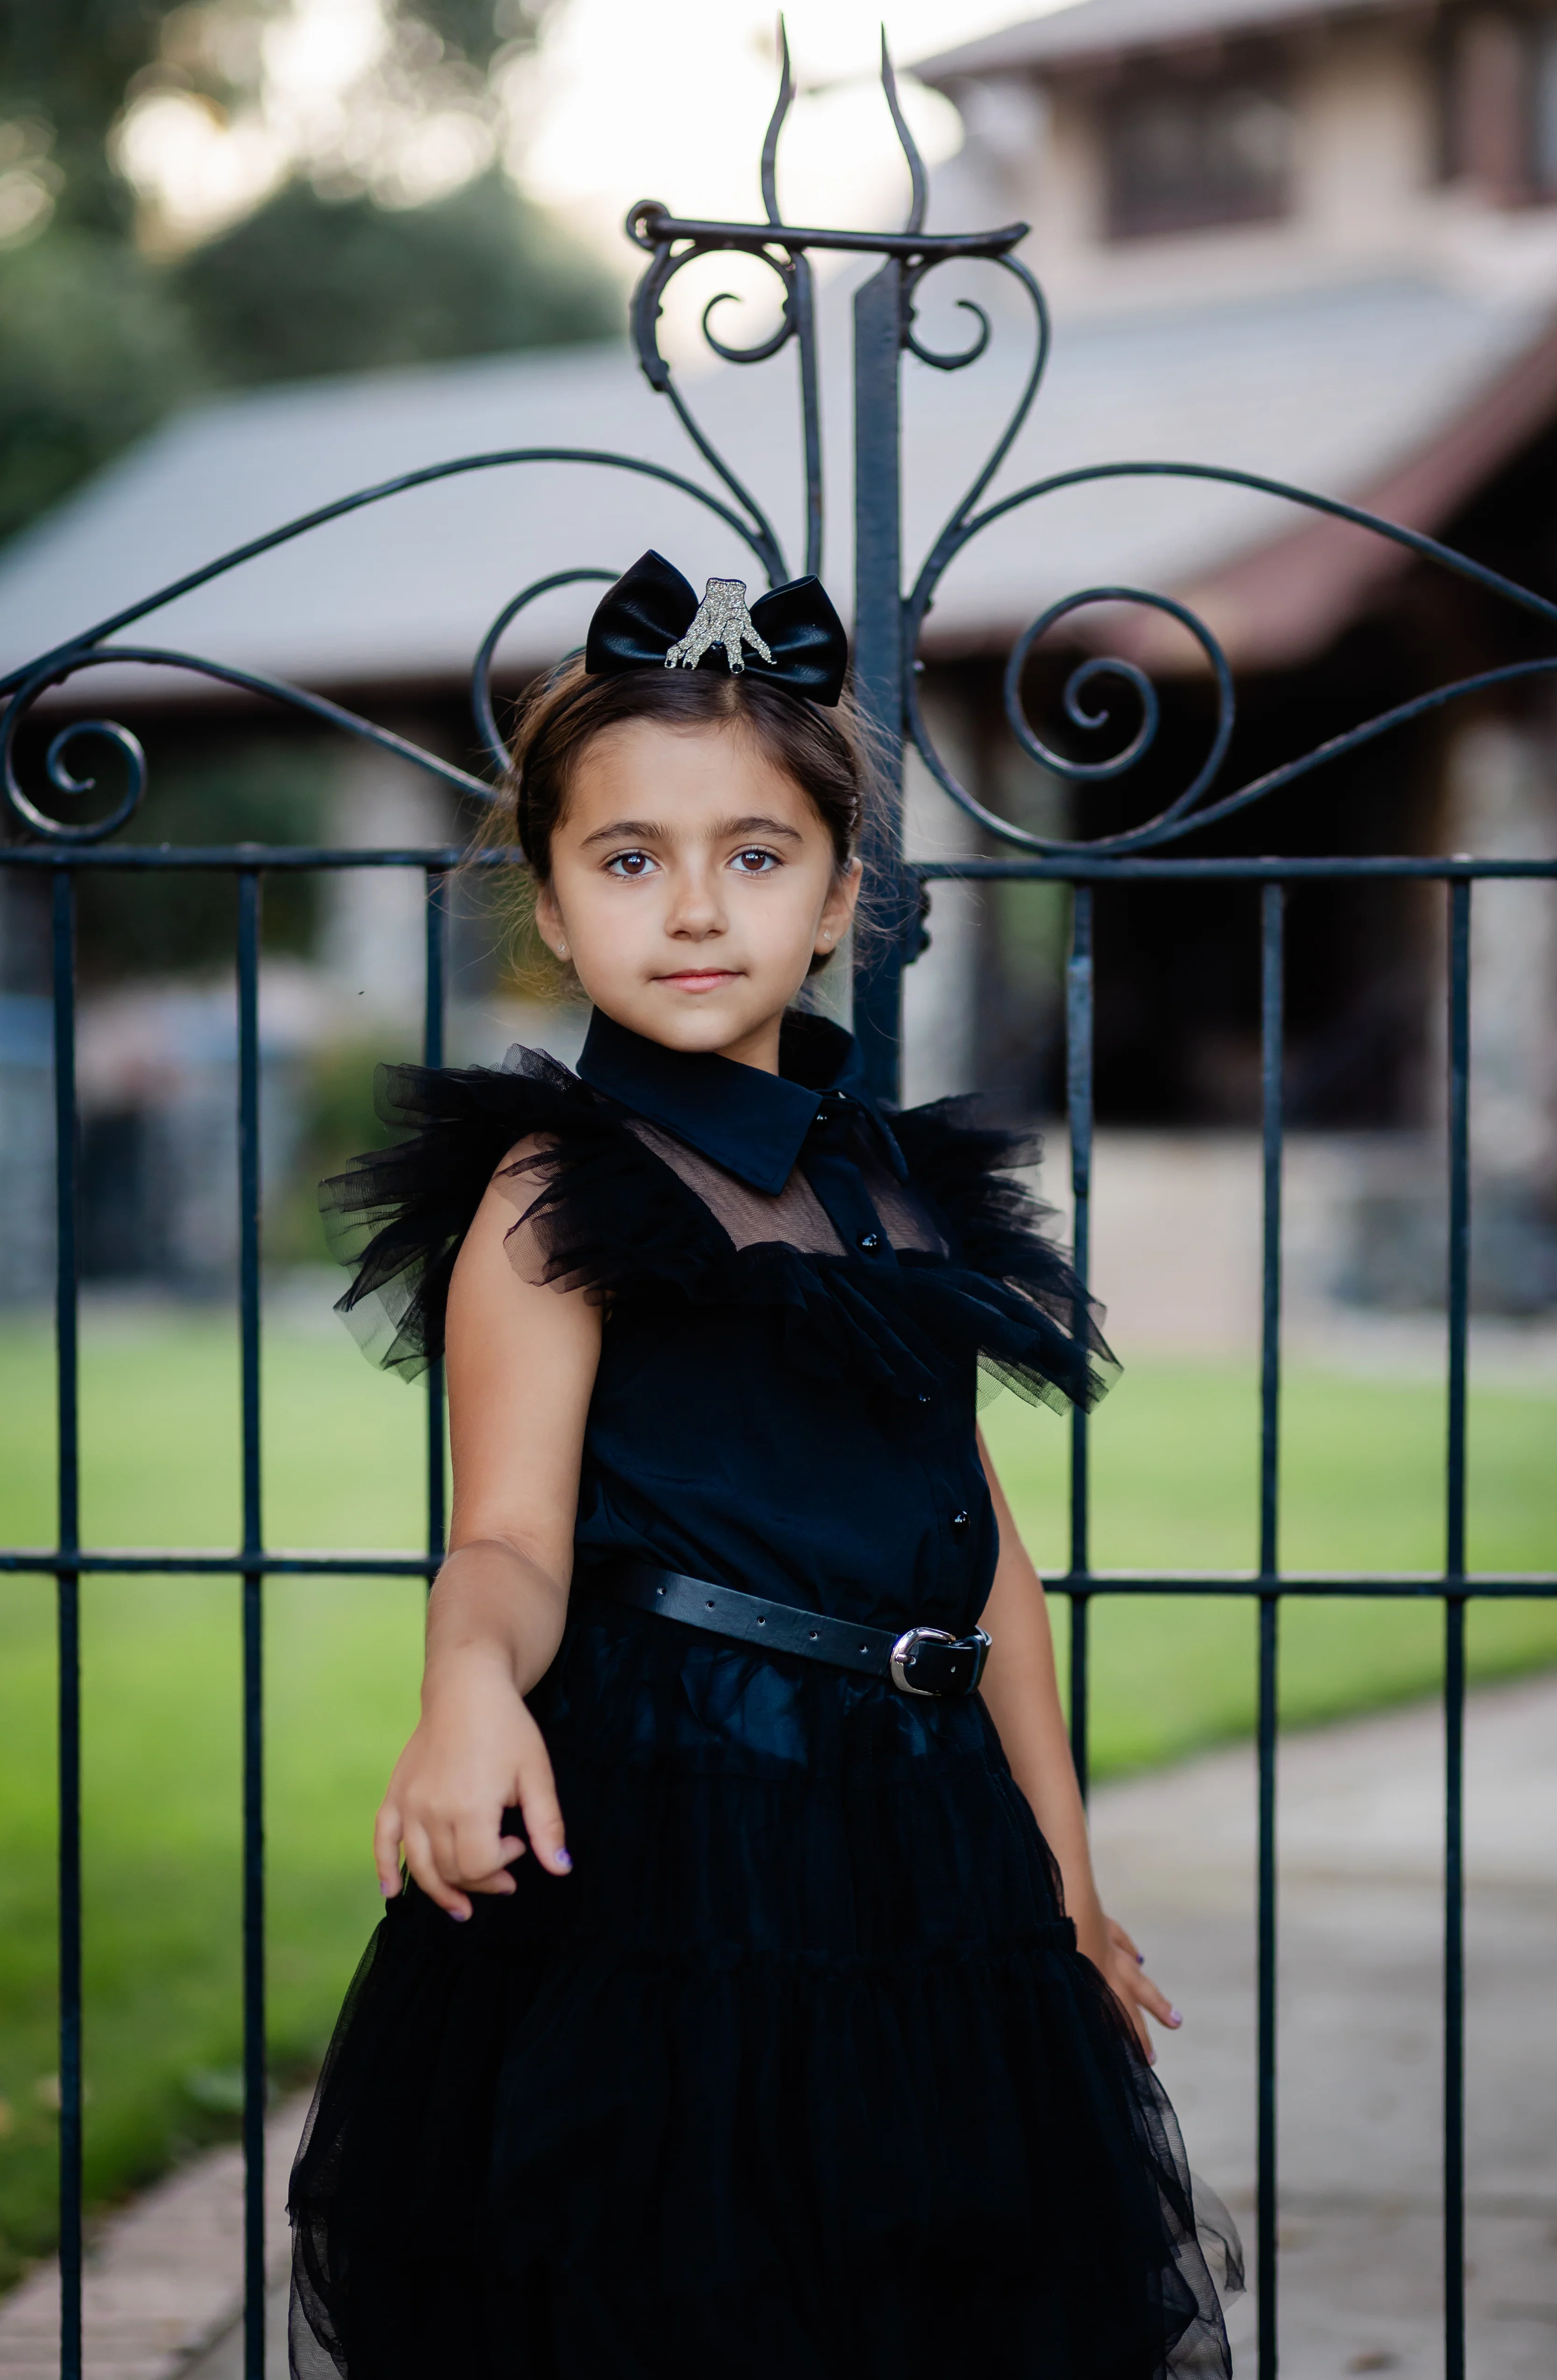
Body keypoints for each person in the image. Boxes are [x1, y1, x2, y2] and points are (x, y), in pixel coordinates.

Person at [288, 551, 1240, 2378]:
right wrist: (464, 1678)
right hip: (679, 1855)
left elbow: (980, 1559)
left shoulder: (887, 1184)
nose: (695, 906)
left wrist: (1062, 1881)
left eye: (755, 851)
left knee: (929, 2299)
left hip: (924, 1845)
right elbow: (504, 1536)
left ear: (838, 896)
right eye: (628, 857)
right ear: (551, 909)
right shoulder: (545, 1194)